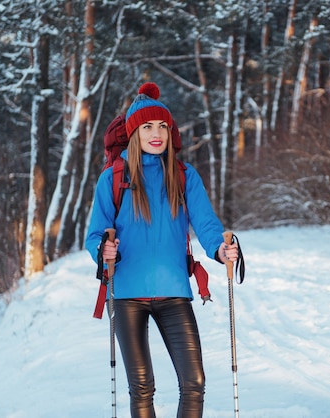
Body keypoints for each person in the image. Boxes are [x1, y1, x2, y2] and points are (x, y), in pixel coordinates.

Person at [85, 82, 238, 418]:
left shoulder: (184, 176)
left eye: (162, 127)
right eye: (147, 127)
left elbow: (207, 224)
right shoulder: (113, 177)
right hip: (126, 294)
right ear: (134, 132)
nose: (156, 134)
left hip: (173, 292)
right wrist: (103, 249)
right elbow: (95, 233)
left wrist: (220, 251)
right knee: (142, 387)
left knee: (194, 381)